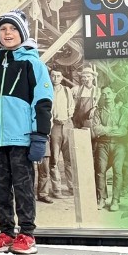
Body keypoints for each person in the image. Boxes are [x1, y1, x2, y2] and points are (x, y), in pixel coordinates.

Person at [0, 11, 52, 255]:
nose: (8, 33)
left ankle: (27, 234)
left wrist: (39, 136)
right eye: (3, 29)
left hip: (22, 139)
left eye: (13, 29)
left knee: (23, 188)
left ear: (23, 33)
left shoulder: (33, 64)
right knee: (1, 189)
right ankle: (6, 233)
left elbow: (43, 102)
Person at [93, 86, 127, 211]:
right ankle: (102, 199)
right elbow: (96, 129)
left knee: (117, 171)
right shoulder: (98, 112)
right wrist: (112, 128)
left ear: (114, 94)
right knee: (100, 170)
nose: (106, 96)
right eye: (104, 94)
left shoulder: (122, 111)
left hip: (119, 145)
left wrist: (105, 130)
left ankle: (115, 200)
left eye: (108, 93)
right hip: (103, 144)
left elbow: (123, 130)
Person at [46, 68, 75, 198]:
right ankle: (56, 189)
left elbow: (72, 106)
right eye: (53, 76)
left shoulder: (67, 90)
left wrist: (69, 116)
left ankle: (72, 187)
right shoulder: (47, 90)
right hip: (55, 127)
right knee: (54, 160)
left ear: (62, 77)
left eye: (58, 76)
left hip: (67, 125)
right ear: (50, 77)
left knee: (69, 159)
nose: (56, 78)